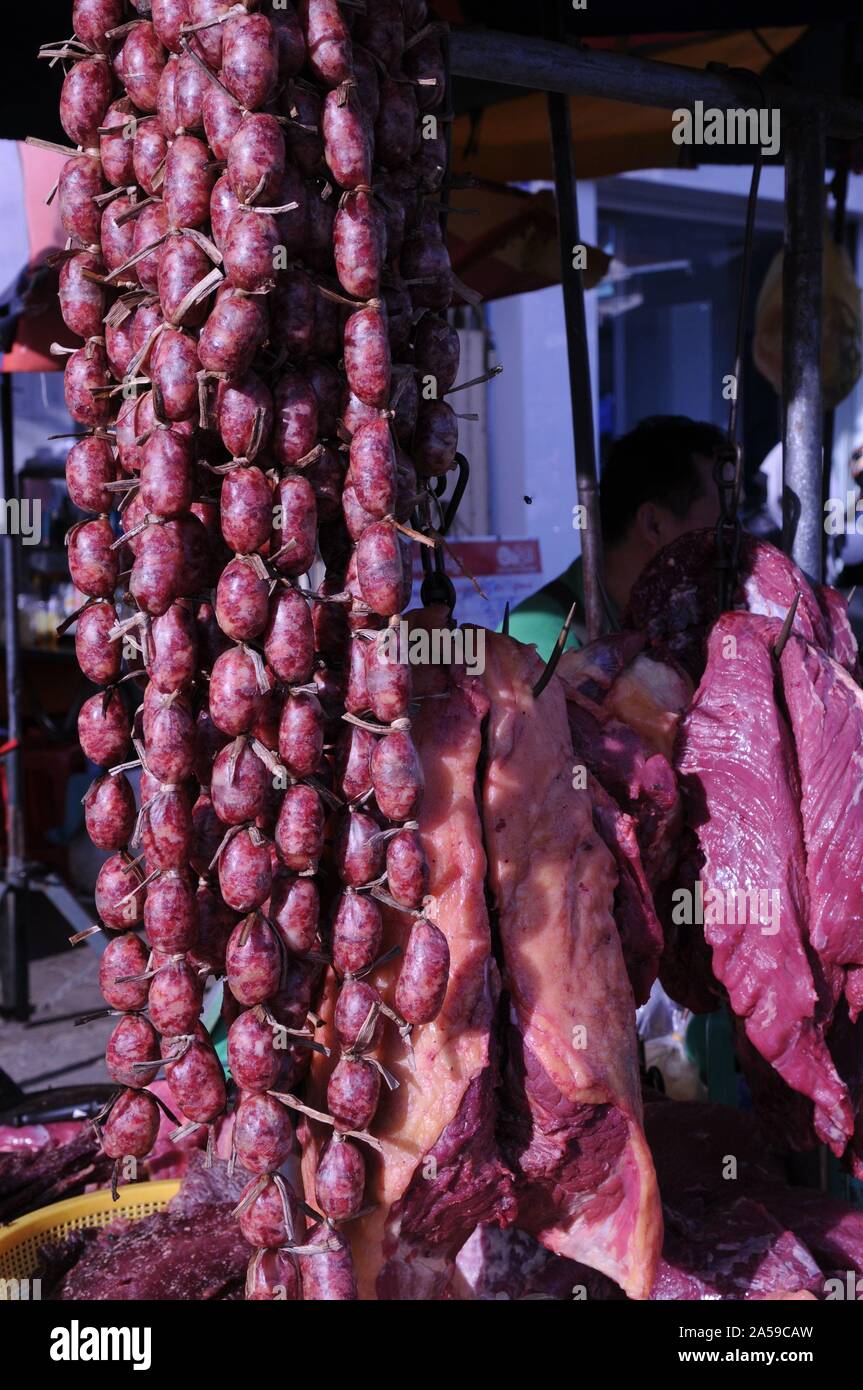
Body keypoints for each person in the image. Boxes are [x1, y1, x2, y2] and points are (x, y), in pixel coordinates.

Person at [507, 415, 725, 659]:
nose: (736, 540)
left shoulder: (685, 622)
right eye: (723, 522)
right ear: (653, 524)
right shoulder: (535, 638)